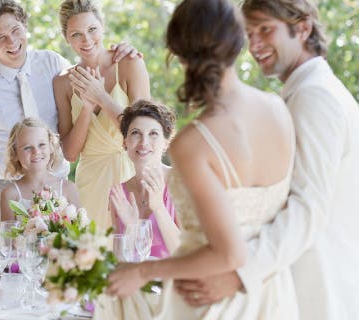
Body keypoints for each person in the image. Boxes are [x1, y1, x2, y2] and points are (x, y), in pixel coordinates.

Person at [97, 0, 298, 318]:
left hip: (207, 302)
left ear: (179, 52)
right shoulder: (278, 110)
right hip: (271, 294)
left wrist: (140, 272)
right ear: (238, 39)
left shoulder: (194, 143)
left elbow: (228, 254)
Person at [174, 1, 359, 318]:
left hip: (316, 285)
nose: (255, 44)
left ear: (302, 28)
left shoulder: (315, 97)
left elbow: (307, 206)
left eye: (265, 30)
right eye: (248, 33)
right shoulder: (300, 92)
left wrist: (239, 274)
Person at [0, 0, 140, 230]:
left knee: (67, 260)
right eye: (0, 38)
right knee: (4, 262)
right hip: (5, 191)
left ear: (25, 26)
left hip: (58, 192)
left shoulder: (52, 63)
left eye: (15, 30)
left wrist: (122, 50)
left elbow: (90, 61)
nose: (11, 41)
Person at [53, 0, 151, 230]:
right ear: (67, 38)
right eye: (76, 34)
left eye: (92, 29)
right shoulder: (62, 82)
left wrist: (101, 97)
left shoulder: (129, 64)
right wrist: (86, 109)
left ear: (102, 26)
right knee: (92, 255)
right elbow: (70, 153)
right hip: (90, 182)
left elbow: (143, 131)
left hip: (130, 173)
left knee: (131, 250)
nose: (86, 40)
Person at [109, 100, 179, 258]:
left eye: (153, 134)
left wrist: (159, 208)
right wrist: (132, 229)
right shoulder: (119, 193)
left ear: (166, 143)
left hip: (175, 280)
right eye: (135, 133)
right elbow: (119, 259)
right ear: (125, 142)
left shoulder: (181, 183)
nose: (144, 142)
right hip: (137, 280)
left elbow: (188, 253)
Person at [0, 118, 80, 221]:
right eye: (27, 148)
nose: (36, 152)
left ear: (51, 146)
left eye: (42, 145)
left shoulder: (69, 189)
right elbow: (7, 235)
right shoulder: (10, 194)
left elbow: (79, 233)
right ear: (15, 153)